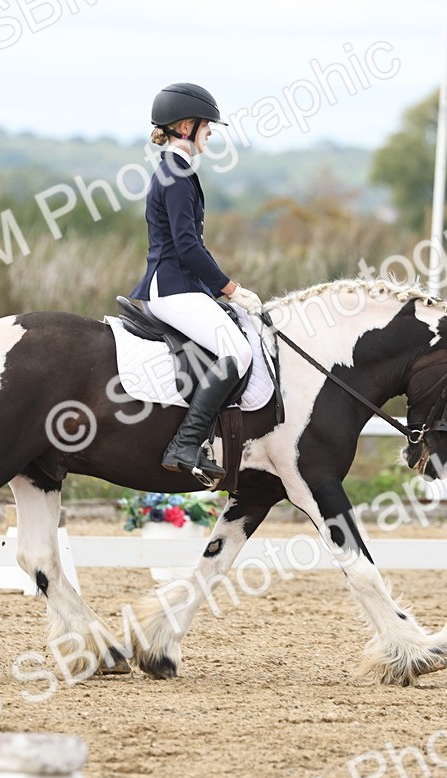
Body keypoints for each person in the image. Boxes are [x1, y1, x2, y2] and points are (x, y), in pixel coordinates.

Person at [129, 82, 263, 485]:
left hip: (182, 286)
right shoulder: (177, 174)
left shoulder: (177, 171)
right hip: (173, 289)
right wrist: (231, 289)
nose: (211, 134)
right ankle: (186, 443)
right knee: (237, 351)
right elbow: (187, 247)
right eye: (207, 127)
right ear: (186, 127)